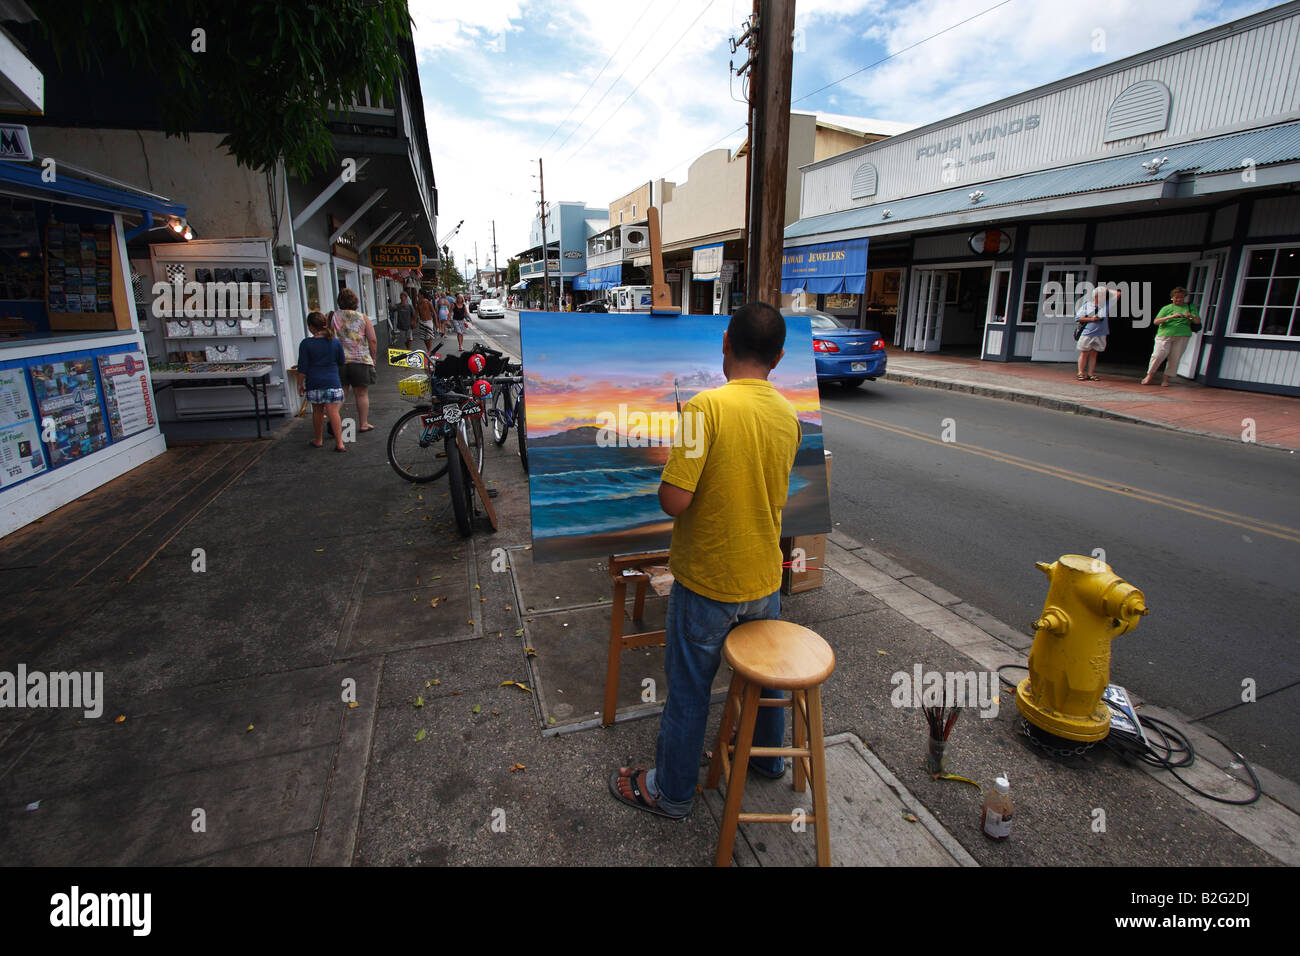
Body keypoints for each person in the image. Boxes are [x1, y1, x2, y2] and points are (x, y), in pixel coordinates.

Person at [609, 301, 803, 820]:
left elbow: (675, 501)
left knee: (691, 689)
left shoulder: (705, 409)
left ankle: (670, 792)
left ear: (725, 344)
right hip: (763, 577)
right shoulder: (789, 415)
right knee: (763, 678)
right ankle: (766, 762)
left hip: (708, 581)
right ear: (780, 357)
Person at [296, 311, 347, 452]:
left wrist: (300, 384)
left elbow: (302, 367)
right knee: (333, 413)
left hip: (314, 383)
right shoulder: (335, 342)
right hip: (332, 381)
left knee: (317, 412)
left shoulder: (306, 344)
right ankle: (340, 443)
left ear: (312, 327)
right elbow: (341, 361)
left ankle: (318, 440)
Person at [331, 288, 378, 433]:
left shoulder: (333, 317)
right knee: (362, 393)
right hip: (360, 359)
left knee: (342, 393)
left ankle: (334, 419)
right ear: (355, 302)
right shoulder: (362, 317)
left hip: (340, 361)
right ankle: (363, 423)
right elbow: (372, 340)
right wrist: (373, 357)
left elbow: (329, 336)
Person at [1142, 286, 1199, 387]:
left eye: (1181, 297)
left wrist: (1190, 316)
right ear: (1172, 297)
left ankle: (1166, 379)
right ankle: (1150, 375)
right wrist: (1171, 316)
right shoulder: (1167, 308)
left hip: (1182, 335)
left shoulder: (1190, 307)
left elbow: (1197, 321)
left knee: (1175, 358)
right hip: (1165, 334)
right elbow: (1156, 321)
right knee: (1158, 355)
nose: (1179, 299)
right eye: (1176, 297)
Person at [1074, 284, 1122, 382]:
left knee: (1094, 353)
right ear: (1095, 296)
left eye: (1104, 295)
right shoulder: (1087, 305)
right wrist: (1092, 319)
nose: (1103, 297)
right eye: (1101, 295)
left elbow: (1118, 294)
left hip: (1100, 333)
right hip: (1088, 332)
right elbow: (1078, 318)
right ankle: (1081, 372)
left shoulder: (1106, 305)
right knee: (1084, 353)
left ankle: (1091, 373)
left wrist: (1105, 289)